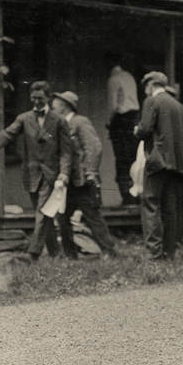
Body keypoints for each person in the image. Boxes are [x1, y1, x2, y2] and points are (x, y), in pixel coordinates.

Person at [0, 81, 72, 260]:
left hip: (52, 175)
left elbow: (67, 151)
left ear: (48, 98)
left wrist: (64, 172)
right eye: (33, 98)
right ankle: (56, 254)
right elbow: (9, 133)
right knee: (45, 213)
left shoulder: (58, 121)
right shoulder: (24, 118)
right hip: (32, 174)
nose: (36, 102)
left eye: (40, 98)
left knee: (43, 212)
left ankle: (33, 253)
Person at [51, 91, 119, 259]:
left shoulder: (80, 122)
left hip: (82, 180)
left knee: (93, 216)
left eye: (56, 103)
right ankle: (69, 255)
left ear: (64, 106)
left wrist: (91, 172)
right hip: (68, 181)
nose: (53, 106)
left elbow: (94, 147)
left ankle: (109, 252)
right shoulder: (60, 124)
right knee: (62, 217)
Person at [134, 72, 183, 261]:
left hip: (157, 162)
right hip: (176, 165)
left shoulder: (152, 102)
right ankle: (169, 253)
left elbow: (145, 129)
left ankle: (153, 254)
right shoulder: (180, 107)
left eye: (146, 87)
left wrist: (137, 130)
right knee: (170, 209)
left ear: (151, 85)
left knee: (151, 206)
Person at [104, 52, 140, 205]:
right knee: (132, 156)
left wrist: (110, 122)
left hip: (122, 118)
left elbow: (113, 105)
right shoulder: (129, 76)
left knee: (122, 158)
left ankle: (128, 197)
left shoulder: (114, 79)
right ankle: (133, 195)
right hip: (134, 118)